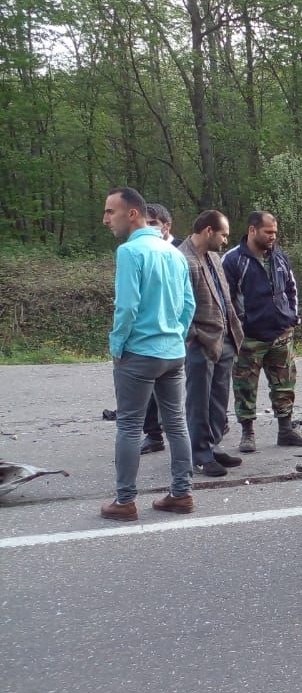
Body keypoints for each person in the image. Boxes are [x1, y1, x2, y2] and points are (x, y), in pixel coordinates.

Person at [101, 186, 196, 520]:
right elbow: (188, 305)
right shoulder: (175, 252)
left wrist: (117, 347)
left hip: (139, 352)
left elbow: (126, 307)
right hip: (173, 352)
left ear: (132, 214)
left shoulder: (130, 252)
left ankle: (125, 501)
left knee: (129, 425)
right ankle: (181, 494)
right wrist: (177, 336)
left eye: (110, 211)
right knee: (177, 424)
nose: (105, 219)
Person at [222, 211, 302, 452]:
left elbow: (291, 289)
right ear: (252, 230)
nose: (273, 236)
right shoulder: (233, 260)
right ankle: (248, 434)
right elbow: (225, 299)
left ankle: (286, 430)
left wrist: (292, 318)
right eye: (268, 232)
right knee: (245, 388)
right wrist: (238, 329)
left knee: (284, 386)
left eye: (275, 232)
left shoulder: (280, 257)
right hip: (249, 339)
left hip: (281, 335)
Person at [179, 210, 245, 476]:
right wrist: (194, 336)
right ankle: (200, 454)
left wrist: (234, 330)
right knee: (199, 401)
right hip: (200, 342)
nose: (226, 240)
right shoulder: (182, 259)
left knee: (218, 398)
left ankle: (213, 445)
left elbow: (224, 298)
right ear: (208, 231)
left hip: (224, 338)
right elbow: (179, 306)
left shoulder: (215, 258)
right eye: (224, 234)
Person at [138, 202, 184, 452]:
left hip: (179, 331)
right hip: (150, 332)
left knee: (181, 389)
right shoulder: (140, 250)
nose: (149, 228)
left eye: (153, 223)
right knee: (148, 386)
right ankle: (154, 435)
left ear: (166, 226)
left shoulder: (182, 251)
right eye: (146, 224)